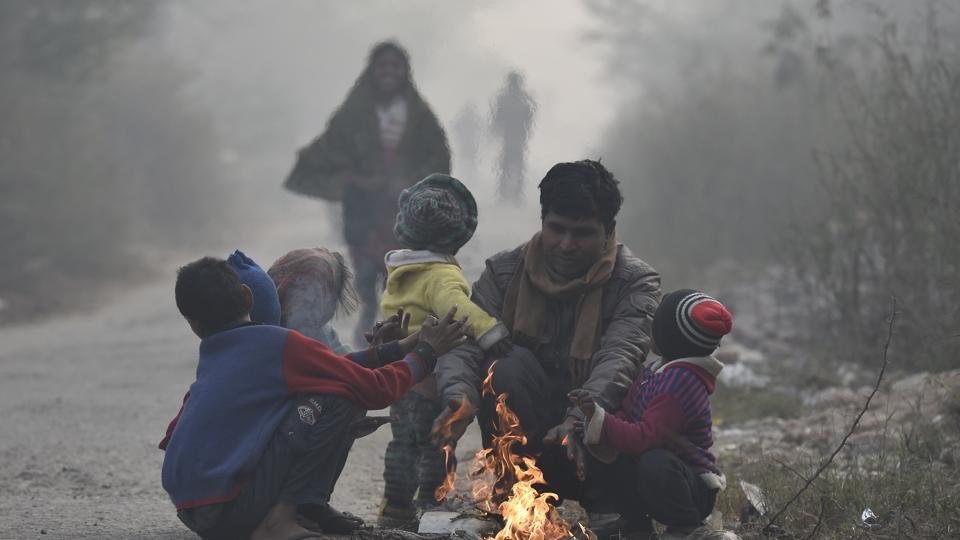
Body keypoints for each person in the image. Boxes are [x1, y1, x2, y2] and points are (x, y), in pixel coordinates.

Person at [158, 256, 468, 540]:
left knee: (331, 383)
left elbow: (335, 366)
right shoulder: (279, 344)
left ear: (193, 324)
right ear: (248, 298)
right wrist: (427, 353)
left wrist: (398, 349)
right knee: (341, 396)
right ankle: (278, 521)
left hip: (194, 512)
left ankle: (306, 508)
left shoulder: (214, 356)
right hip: (234, 509)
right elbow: (373, 389)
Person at [432, 160, 661, 519]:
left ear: (608, 231)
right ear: (542, 222)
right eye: (557, 229)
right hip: (527, 444)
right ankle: (521, 496)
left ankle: (608, 503)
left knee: (634, 386)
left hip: (594, 446)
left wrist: (578, 420)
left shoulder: (634, 282)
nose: (566, 245)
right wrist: (458, 398)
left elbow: (621, 358)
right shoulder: (503, 272)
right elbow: (464, 342)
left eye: (582, 233)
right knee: (504, 366)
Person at [284, 41, 451, 347]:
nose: (389, 72)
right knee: (363, 270)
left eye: (395, 66)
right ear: (372, 70)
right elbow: (331, 147)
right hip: (361, 205)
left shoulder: (418, 113)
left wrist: (411, 181)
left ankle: (393, 329)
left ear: (405, 71)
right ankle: (368, 314)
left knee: (395, 269)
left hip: (399, 208)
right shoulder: (353, 111)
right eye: (383, 66)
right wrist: (351, 177)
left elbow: (437, 155)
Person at [378, 173, 510, 524]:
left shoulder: (402, 270)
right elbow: (457, 308)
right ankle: (431, 500)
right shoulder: (440, 275)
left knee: (403, 443)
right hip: (430, 377)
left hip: (401, 375)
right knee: (439, 439)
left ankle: (394, 506)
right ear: (457, 237)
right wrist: (491, 332)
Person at [571, 290, 733, 540]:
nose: (650, 331)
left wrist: (600, 419)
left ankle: (686, 527)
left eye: (656, 326)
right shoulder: (657, 371)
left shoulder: (681, 381)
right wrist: (593, 421)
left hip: (689, 490)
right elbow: (627, 414)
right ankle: (635, 525)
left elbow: (645, 438)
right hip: (656, 480)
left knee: (654, 460)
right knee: (604, 444)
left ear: (670, 338)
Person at [268, 247, 356, 354]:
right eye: (298, 283)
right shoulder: (260, 330)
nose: (308, 298)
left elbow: (344, 358)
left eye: (320, 292)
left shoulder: (325, 335)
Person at [490, 71, 535, 201]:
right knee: (515, 167)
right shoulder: (523, 100)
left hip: (511, 137)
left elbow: (498, 119)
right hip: (516, 137)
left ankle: (506, 194)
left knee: (508, 166)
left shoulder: (506, 99)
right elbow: (528, 119)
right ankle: (513, 195)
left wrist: (496, 130)